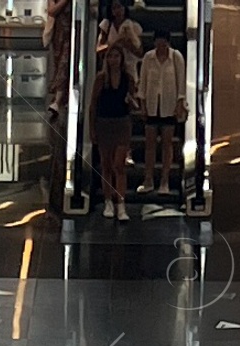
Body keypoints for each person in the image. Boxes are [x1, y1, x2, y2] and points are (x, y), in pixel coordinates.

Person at [89, 44, 138, 221]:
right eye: (110, 57)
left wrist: (132, 102)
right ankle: (108, 200)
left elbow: (133, 102)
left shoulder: (128, 79)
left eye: (116, 56)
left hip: (122, 123)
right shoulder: (101, 79)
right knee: (106, 164)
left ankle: (121, 203)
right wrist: (92, 128)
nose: (113, 60)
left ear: (121, 59)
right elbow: (93, 105)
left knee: (119, 164)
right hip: (104, 123)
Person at [137, 32, 186, 198]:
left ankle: (164, 181)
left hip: (169, 105)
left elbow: (181, 82)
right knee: (150, 144)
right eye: (158, 44)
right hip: (152, 105)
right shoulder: (148, 58)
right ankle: (148, 179)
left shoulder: (176, 57)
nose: (160, 47)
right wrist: (142, 105)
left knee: (167, 144)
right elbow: (142, 83)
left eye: (163, 44)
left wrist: (180, 103)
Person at [97, 0, 142, 79]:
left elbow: (140, 52)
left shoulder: (134, 26)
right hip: (110, 67)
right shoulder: (106, 25)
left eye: (119, 7)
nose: (117, 10)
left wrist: (127, 43)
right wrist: (115, 45)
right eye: (114, 8)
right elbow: (99, 49)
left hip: (129, 67)